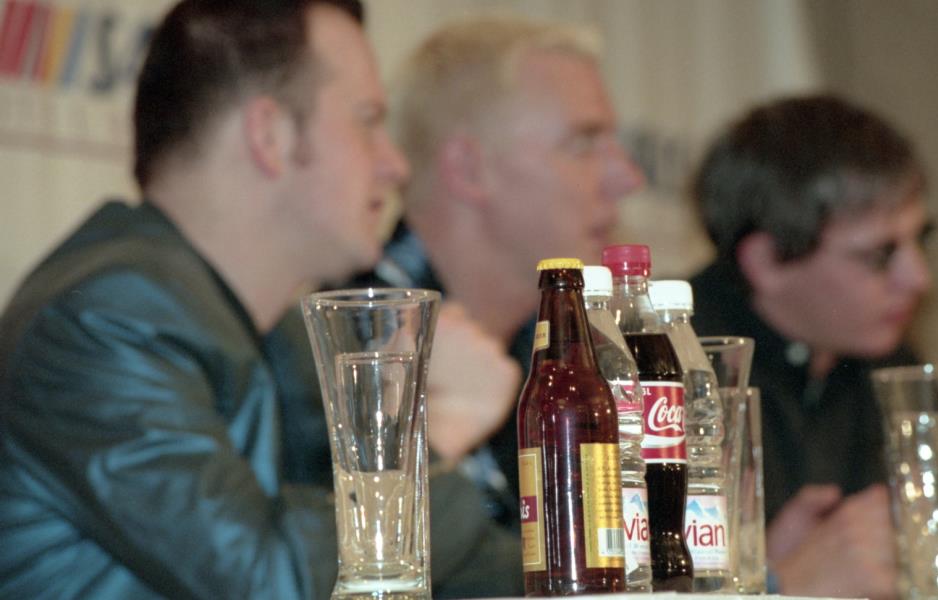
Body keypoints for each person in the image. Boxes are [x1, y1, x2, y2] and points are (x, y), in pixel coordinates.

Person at [0, 0, 495, 597]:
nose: (394, 166)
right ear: (270, 136)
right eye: (367, 120)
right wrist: (431, 434)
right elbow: (267, 581)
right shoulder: (105, 322)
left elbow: (462, 565)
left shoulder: (268, 332)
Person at [266, 14, 646, 597]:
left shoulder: (563, 352)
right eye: (583, 143)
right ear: (469, 169)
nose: (628, 177)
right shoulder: (333, 354)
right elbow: (303, 578)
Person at [688, 94, 933, 599]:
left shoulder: (890, 360)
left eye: (920, 240)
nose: (919, 278)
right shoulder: (662, 367)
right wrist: (772, 581)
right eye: (880, 255)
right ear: (767, 262)